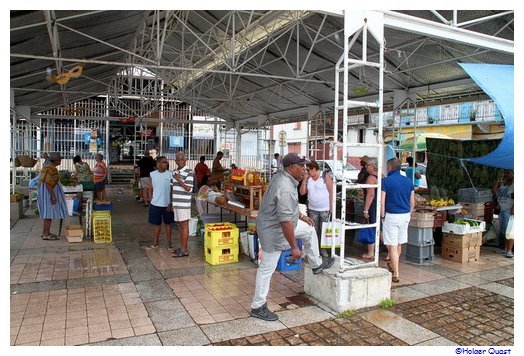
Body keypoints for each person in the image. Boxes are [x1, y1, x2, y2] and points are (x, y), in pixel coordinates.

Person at [250, 153, 335, 321]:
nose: (304, 169)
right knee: (266, 269)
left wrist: (301, 216)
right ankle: (257, 306)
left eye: (305, 166)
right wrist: (295, 247)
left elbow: (288, 207)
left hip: (279, 224)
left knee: (309, 230)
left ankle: (316, 263)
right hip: (273, 231)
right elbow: (285, 221)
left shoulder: (283, 177)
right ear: (291, 168)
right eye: (301, 166)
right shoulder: (285, 186)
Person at [380, 158, 414, 283]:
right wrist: (408, 214)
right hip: (405, 215)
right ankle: (393, 265)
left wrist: (382, 216)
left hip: (392, 215)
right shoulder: (408, 181)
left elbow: (382, 201)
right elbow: (412, 202)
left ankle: (396, 273)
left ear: (389, 167)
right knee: (399, 244)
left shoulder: (386, 181)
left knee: (392, 246)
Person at [299, 160, 334, 260]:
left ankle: (324, 250)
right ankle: (315, 250)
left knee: (324, 230)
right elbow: (302, 193)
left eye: (308, 170)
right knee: (314, 230)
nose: (307, 172)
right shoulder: (308, 178)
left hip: (325, 208)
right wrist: (305, 180)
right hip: (312, 208)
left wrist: (331, 206)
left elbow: (331, 192)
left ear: (315, 169)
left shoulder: (324, 176)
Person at [37, 152, 68, 240]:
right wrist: (53, 195)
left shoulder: (47, 167)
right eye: (59, 160)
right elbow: (48, 183)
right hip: (48, 192)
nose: (60, 161)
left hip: (44, 192)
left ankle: (45, 232)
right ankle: (46, 234)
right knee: (49, 213)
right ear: (55, 161)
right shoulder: (51, 169)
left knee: (47, 212)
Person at [147, 156, 174, 251]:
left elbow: (172, 190)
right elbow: (150, 188)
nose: (165, 164)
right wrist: (150, 200)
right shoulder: (152, 174)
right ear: (158, 164)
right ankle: (155, 243)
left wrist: (171, 202)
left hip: (167, 204)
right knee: (156, 224)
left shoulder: (170, 174)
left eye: (166, 162)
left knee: (168, 224)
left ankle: (169, 243)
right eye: (163, 162)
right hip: (155, 204)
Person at [171, 152, 194, 258]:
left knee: (184, 226)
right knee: (180, 226)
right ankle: (181, 247)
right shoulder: (174, 172)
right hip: (176, 203)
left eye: (182, 160)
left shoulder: (189, 172)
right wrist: (171, 203)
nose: (180, 162)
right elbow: (172, 188)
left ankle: (184, 250)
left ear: (185, 161)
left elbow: (188, 188)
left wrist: (178, 179)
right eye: (178, 160)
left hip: (183, 204)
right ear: (175, 161)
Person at [361, 158, 379, 259]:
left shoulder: (371, 178)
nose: (366, 166)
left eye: (368, 165)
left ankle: (370, 252)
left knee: (371, 227)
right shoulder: (381, 176)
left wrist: (366, 209)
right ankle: (390, 250)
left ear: (373, 166)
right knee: (379, 228)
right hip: (380, 204)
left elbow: (370, 194)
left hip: (372, 204)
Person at [492, 170, 514, 253]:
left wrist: (513, 208)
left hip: (509, 210)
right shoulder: (503, 185)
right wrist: (496, 183)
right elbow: (494, 192)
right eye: (505, 173)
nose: (506, 175)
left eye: (508, 173)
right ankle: (503, 248)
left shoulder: (514, 185)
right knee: (502, 229)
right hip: (501, 210)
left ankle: (508, 249)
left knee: (509, 230)